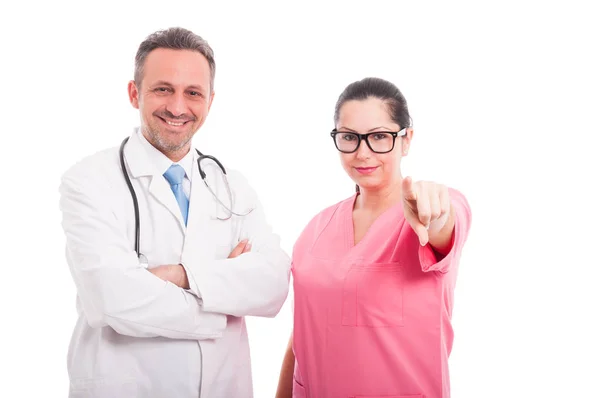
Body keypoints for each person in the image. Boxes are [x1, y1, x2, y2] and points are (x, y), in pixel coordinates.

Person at [58, 27, 290, 398]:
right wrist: (222, 304)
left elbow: (273, 285)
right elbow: (110, 300)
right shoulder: (89, 182)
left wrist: (180, 276)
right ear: (135, 93)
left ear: (210, 101)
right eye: (163, 89)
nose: (178, 107)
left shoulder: (232, 185)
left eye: (193, 93)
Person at [275, 77, 472, 398]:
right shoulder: (315, 229)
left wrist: (436, 212)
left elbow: (444, 224)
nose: (363, 152)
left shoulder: (430, 207)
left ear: (406, 140)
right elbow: (301, 338)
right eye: (349, 137)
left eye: (380, 137)